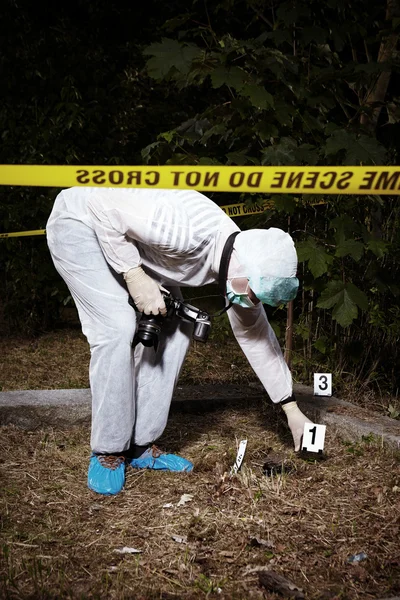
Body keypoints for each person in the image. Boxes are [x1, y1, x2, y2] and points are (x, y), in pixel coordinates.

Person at [46, 186, 310, 496]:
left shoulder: (241, 261)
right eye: (253, 293)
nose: (251, 302)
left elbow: (256, 336)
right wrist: (132, 273)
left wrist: (291, 409)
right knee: (116, 327)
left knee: (178, 326)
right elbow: (100, 207)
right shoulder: (184, 229)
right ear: (242, 266)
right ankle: (109, 450)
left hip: (127, 242)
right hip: (81, 223)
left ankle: (142, 445)